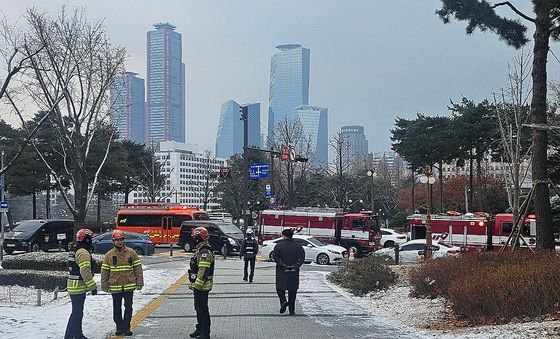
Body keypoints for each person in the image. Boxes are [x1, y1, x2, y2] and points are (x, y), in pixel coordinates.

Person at [101, 230, 144, 336]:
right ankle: (119, 327)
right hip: (115, 286)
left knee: (128, 307)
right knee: (117, 308)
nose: (119, 242)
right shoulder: (109, 255)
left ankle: (127, 327)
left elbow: (138, 268)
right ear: (113, 241)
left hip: (129, 285)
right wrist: (104, 285)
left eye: (121, 240)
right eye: (117, 240)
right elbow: (105, 271)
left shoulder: (131, 252)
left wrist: (140, 282)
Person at [65, 228, 97, 339]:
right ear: (86, 239)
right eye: (90, 239)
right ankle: (68, 336)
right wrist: (92, 287)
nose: (91, 241)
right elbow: (85, 271)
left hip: (74, 286)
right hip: (77, 287)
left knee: (78, 313)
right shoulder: (83, 252)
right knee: (76, 314)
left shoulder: (76, 249)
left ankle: (78, 335)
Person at [188, 226, 215, 339]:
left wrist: (197, 285)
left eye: (195, 237)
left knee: (203, 309)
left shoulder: (204, 252)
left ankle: (205, 332)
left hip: (202, 286)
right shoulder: (200, 249)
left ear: (199, 238)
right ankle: (199, 328)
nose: (193, 239)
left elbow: (203, 272)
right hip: (198, 285)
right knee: (198, 308)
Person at [272, 228, 305, 316]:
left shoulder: (279, 245)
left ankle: (283, 301)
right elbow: (302, 258)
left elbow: (275, 257)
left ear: (284, 236)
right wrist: (295, 266)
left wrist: (283, 264)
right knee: (292, 290)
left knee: (280, 288)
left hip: (281, 271)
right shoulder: (298, 246)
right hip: (294, 272)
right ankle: (292, 309)